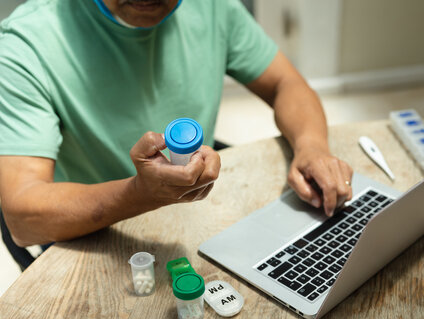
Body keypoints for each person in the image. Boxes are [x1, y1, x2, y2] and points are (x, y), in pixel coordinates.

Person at [0, 0, 353, 266]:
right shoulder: (25, 45)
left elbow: (285, 83)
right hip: (92, 234)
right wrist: (138, 194)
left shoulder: (213, 7)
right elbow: (23, 217)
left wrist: (312, 146)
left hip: (192, 218)